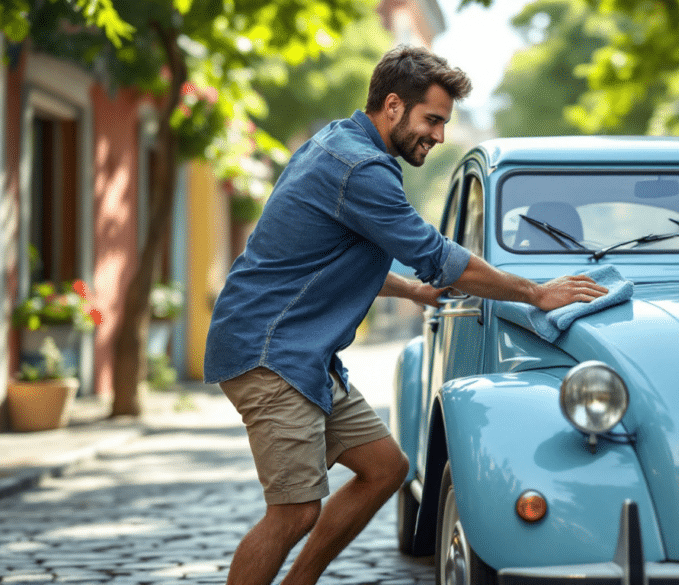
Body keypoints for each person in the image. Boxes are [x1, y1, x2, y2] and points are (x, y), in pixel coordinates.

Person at [203, 45, 607, 585]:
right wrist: (536, 293)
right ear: (392, 106)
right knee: (294, 511)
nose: (438, 136)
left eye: (443, 123)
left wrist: (412, 292)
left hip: (300, 352)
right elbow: (439, 256)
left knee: (385, 469)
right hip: (271, 353)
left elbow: (327, 260)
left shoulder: (336, 143)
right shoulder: (360, 168)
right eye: (432, 120)